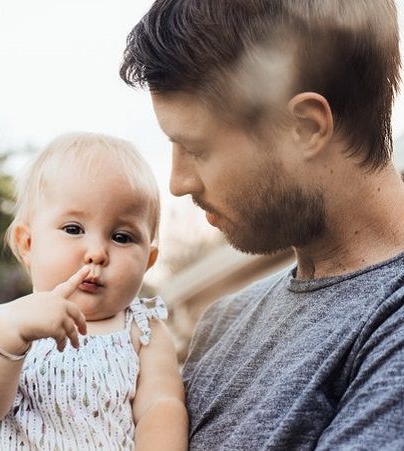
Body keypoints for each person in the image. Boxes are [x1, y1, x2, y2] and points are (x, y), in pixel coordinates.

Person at [120, 0, 404, 449]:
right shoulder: (224, 321)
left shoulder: (390, 321)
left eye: (195, 147)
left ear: (307, 128)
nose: (177, 182)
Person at [0, 132, 188, 450]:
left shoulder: (143, 332)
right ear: (27, 244)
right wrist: (10, 334)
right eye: (73, 229)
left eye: (122, 237)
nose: (97, 252)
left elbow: (161, 407)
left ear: (149, 260)